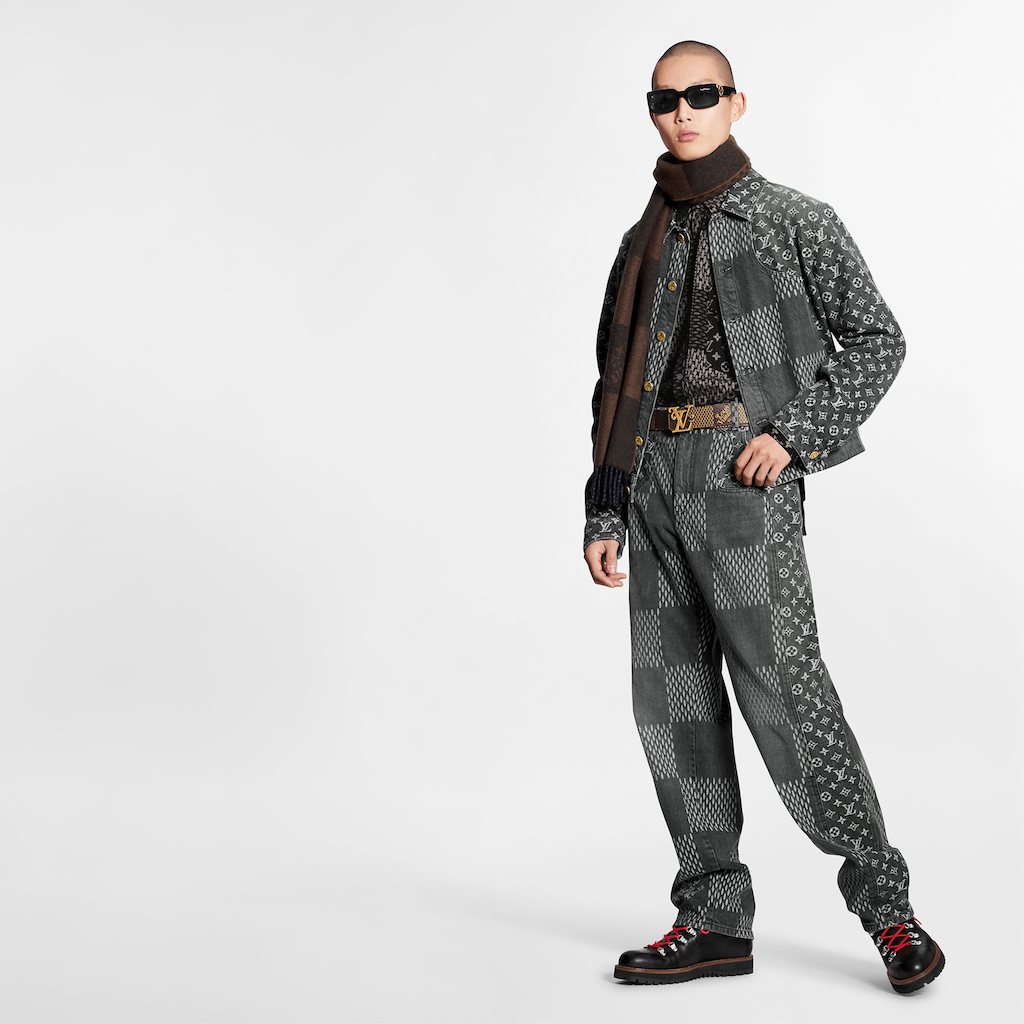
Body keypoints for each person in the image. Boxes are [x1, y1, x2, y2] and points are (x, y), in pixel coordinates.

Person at [582, 39, 943, 995]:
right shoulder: (640, 241)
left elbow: (878, 339)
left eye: (702, 94)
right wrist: (605, 507)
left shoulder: (794, 220)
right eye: (665, 99)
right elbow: (612, 381)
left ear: (737, 103)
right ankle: (712, 918)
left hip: (740, 478)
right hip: (652, 480)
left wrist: (792, 435)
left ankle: (889, 910)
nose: (682, 112)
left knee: (787, 694)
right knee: (673, 705)